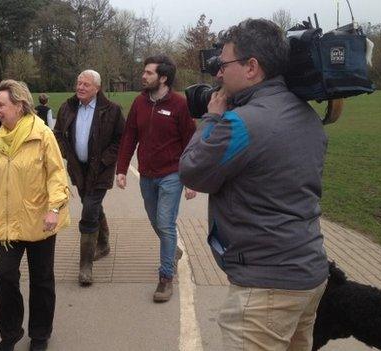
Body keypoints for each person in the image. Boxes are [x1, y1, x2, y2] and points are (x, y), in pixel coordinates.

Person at [179, 19, 329, 350]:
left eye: (224, 63)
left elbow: (191, 171)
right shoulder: (307, 116)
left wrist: (212, 117)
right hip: (309, 274)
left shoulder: (241, 124)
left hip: (266, 290)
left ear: (251, 67)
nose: (218, 73)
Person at [0, 79, 70, 351]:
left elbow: (57, 174)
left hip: (39, 219)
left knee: (42, 278)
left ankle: (39, 334)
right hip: (7, 222)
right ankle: (10, 333)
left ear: (20, 106)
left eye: (1, 105)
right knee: (5, 275)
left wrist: (54, 208)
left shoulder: (42, 134)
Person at [115, 55, 197, 302]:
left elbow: (191, 142)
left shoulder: (179, 105)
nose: (143, 76)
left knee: (165, 223)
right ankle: (173, 250)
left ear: (163, 78)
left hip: (172, 174)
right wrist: (121, 169)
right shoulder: (139, 103)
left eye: (148, 73)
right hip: (147, 175)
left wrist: (191, 179)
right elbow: (129, 136)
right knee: (155, 221)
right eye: (144, 72)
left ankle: (165, 278)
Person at [54, 69, 124, 286]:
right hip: (79, 170)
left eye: (85, 84)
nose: (80, 88)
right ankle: (103, 242)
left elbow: (121, 139)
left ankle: (85, 266)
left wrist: (105, 160)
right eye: (78, 83)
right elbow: (57, 134)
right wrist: (66, 153)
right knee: (91, 206)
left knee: (88, 211)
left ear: (97, 88)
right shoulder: (67, 107)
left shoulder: (111, 110)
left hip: (100, 170)